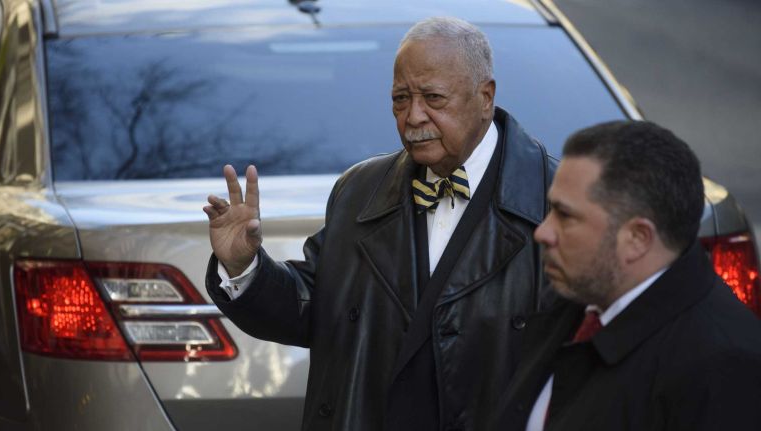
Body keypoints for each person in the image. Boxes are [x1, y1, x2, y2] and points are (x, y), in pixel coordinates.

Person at [203, 17, 556, 430]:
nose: (413, 116)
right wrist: (245, 267)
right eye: (400, 99)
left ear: (485, 97)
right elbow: (314, 307)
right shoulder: (360, 190)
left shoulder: (554, 201)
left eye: (433, 98)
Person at [493, 121, 761, 430]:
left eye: (565, 216)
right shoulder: (572, 299)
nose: (543, 232)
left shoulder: (721, 368)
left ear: (637, 238)